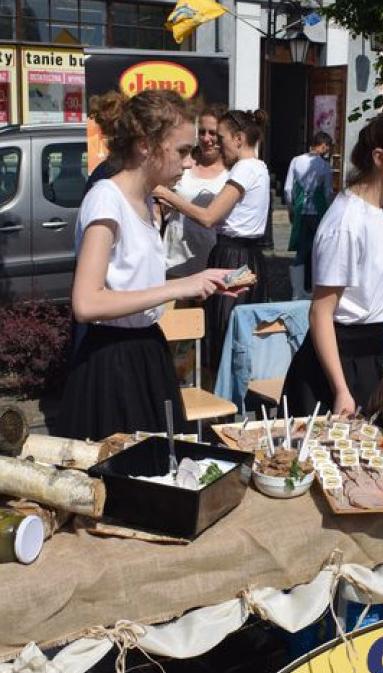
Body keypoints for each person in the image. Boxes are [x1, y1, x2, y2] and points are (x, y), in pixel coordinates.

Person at [56, 89, 238, 441]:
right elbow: (86, 303)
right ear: (145, 146)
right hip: (112, 364)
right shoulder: (107, 199)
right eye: (183, 151)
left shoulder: (144, 202)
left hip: (147, 353)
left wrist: (204, 281)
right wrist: (178, 286)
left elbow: (132, 282)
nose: (189, 162)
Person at [281, 110, 383, 415]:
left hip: (373, 355)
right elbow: (321, 312)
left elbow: (382, 295)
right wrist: (341, 390)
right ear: (380, 157)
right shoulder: (347, 222)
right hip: (338, 364)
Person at [154, 109, 270, 368]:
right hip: (245, 255)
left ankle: (221, 396)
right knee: (232, 332)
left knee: (223, 332)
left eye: (221, 137)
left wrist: (167, 194)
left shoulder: (244, 169)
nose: (218, 143)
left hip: (233, 255)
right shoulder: (258, 167)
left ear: (238, 139)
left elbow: (209, 217)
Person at [163, 104, 229, 279]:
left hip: (212, 255)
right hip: (176, 255)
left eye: (213, 133)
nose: (206, 139)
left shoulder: (232, 172)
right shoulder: (183, 161)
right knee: (175, 305)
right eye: (202, 132)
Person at [284, 131, 334, 296]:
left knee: (301, 249)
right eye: (326, 147)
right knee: (319, 249)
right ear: (323, 146)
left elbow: (287, 188)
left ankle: (297, 291)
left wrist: (291, 209)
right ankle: (316, 288)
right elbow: (327, 192)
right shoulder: (325, 166)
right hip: (318, 210)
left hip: (300, 209)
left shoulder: (296, 160)